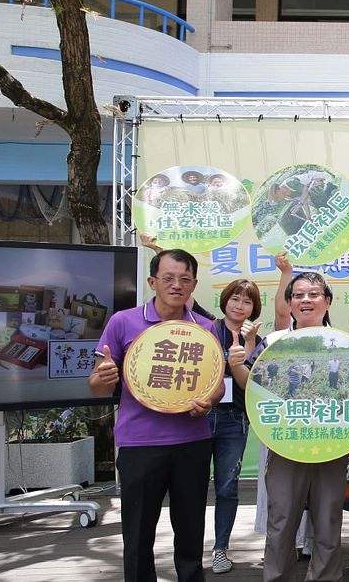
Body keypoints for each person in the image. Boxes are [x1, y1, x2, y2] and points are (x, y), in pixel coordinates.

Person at [88, 249, 223, 582]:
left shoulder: (205, 328)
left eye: (184, 279)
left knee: (191, 533)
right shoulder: (123, 322)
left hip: (192, 442)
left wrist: (209, 400)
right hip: (139, 445)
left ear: (194, 284)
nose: (176, 285)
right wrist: (102, 379)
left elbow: (217, 385)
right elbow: (96, 385)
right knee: (137, 534)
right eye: (168, 278)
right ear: (152, 281)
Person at [253, 272, 346, 582]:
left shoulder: (345, 344)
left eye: (314, 294)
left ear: (328, 301)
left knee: (328, 522)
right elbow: (252, 392)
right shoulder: (272, 343)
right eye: (299, 295)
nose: (306, 300)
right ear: (289, 303)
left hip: (331, 445)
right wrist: (240, 365)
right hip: (286, 445)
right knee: (280, 523)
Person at [208, 279, 265, 575]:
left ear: (254, 308)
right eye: (235, 298)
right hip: (201, 415)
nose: (240, 305)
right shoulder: (207, 327)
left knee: (227, 487)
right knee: (189, 485)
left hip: (234, 419)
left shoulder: (255, 336)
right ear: (225, 300)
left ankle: (220, 549)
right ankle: (190, 548)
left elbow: (253, 381)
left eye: (247, 301)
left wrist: (251, 343)